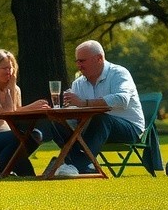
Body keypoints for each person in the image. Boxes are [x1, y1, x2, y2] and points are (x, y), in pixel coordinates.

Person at [49, 40, 146, 175]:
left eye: (82, 61)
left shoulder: (119, 73)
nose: (79, 66)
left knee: (101, 119)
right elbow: (77, 109)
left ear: (99, 58)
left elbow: (122, 99)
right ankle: (83, 166)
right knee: (56, 122)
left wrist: (84, 103)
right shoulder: (78, 83)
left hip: (129, 128)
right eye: (77, 61)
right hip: (92, 129)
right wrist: (69, 108)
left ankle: (73, 164)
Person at [0, 50, 48, 177]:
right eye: (4, 68)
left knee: (36, 135)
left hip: (7, 135)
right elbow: (5, 113)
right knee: (19, 138)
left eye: (11, 68)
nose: (8, 72)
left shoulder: (15, 88)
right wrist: (11, 90)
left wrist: (34, 106)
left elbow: (15, 111)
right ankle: (12, 171)